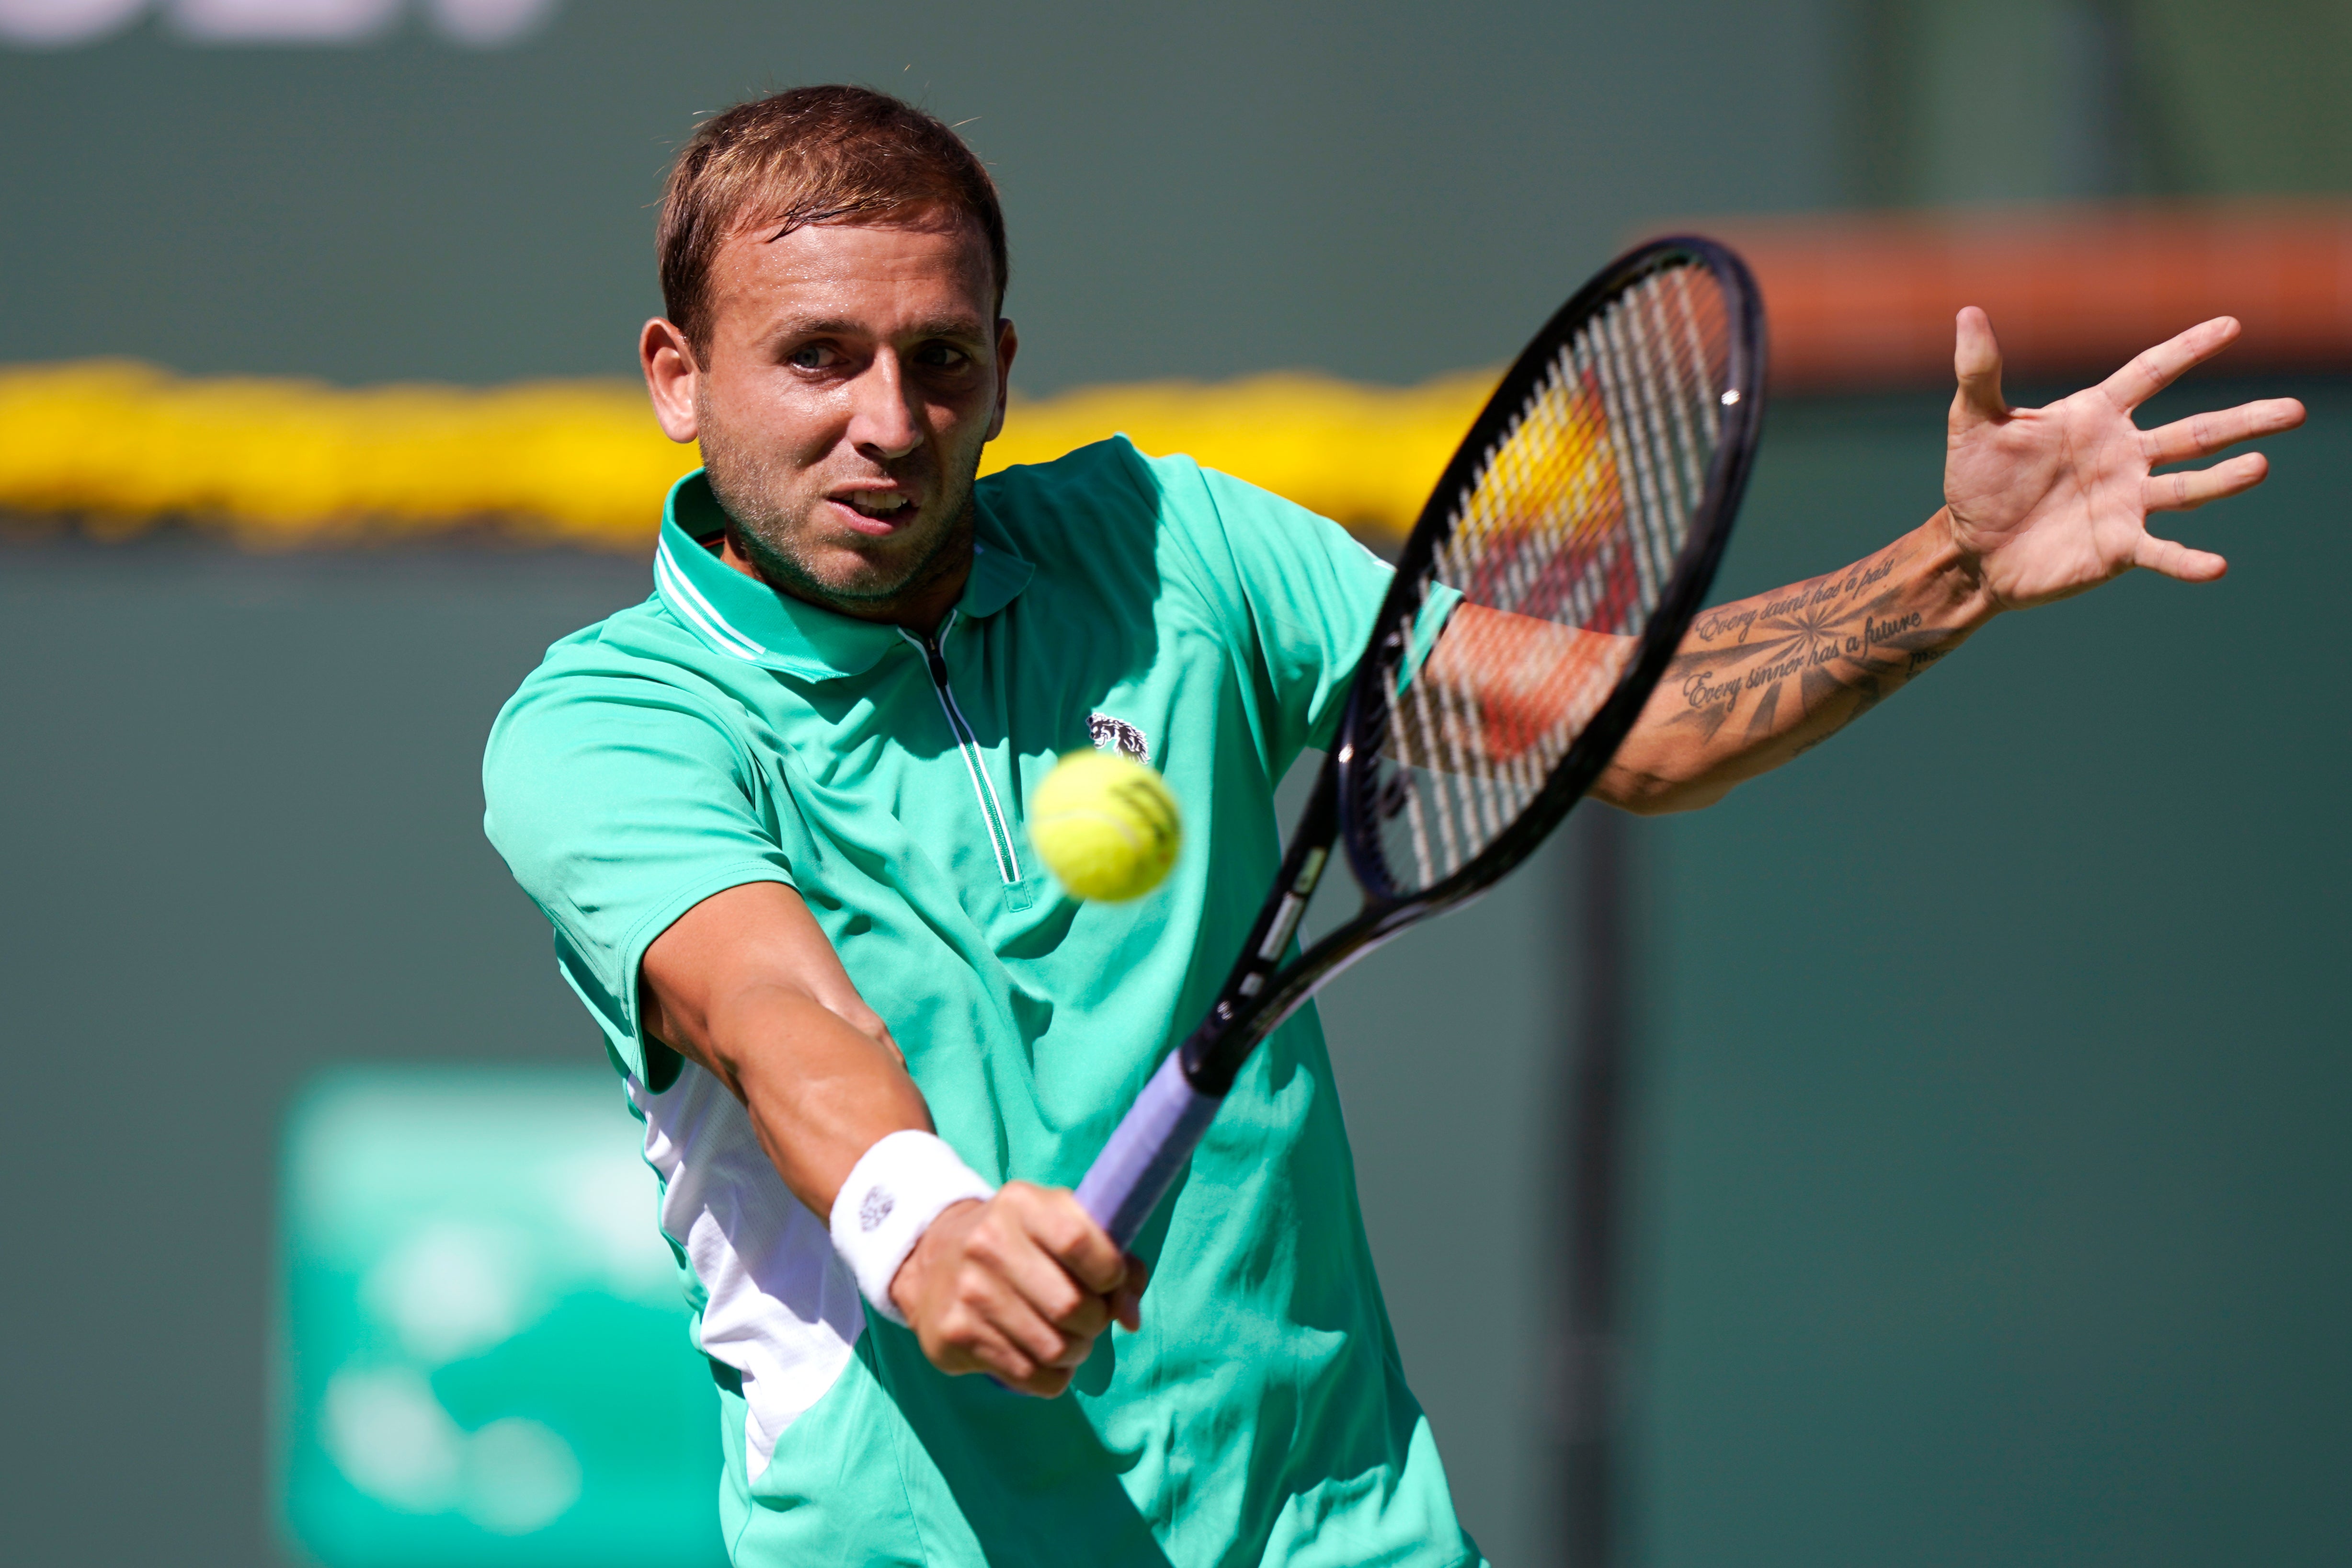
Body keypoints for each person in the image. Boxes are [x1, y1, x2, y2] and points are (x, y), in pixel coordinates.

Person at [481, 85, 2302, 1567]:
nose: (890, 421)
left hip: (1337, 1537)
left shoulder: (1176, 545)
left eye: (940, 360)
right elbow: (785, 1015)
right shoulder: (605, 726)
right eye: (817, 359)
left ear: (1006, 366)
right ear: (676, 374)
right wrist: (926, 1222)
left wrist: (1954, 565)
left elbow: (1637, 729)